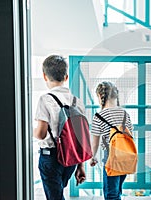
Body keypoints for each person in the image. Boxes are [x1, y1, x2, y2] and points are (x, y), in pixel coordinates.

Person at [33, 55, 86, 200]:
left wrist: (29, 131)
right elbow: (79, 137)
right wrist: (81, 166)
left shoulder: (45, 99)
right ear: (66, 77)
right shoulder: (77, 102)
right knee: (58, 194)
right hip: (71, 159)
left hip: (51, 158)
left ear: (44, 76)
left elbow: (41, 134)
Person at [90, 81, 133, 200]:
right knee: (117, 191)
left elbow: (95, 142)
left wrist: (93, 157)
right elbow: (130, 135)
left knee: (111, 195)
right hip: (125, 157)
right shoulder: (125, 114)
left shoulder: (99, 116)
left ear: (100, 96)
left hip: (111, 158)